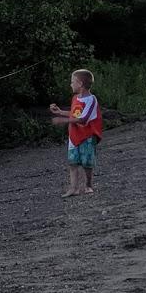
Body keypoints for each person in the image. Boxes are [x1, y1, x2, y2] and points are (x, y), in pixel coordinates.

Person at [50, 68, 102, 197]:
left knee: (87, 163)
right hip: (74, 135)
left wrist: (64, 120)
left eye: (72, 82)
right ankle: (73, 188)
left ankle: (88, 185)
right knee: (72, 162)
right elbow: (75, 113)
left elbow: (83, 119)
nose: (71, 84)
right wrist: (60, 112)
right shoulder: (75, 98)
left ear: (80, 83)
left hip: (87, 136)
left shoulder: (91, 99)